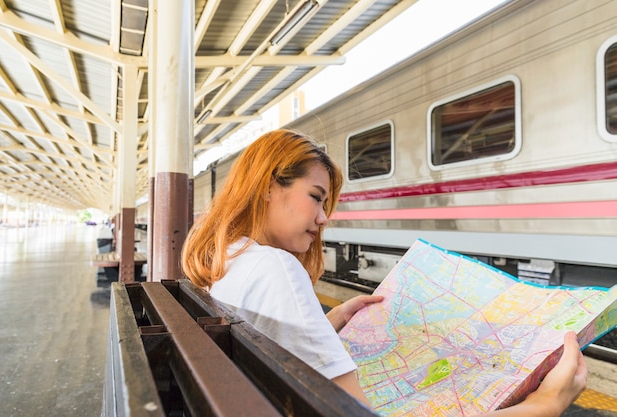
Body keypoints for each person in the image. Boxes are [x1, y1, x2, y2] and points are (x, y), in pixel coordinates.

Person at [181, 129, 587, 415]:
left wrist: (326, 323)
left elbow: (271, 329)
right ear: (269, 186)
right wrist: (544, 405)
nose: (323, 218)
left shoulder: (232, 259)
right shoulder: (277, 268)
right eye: (316, 198)